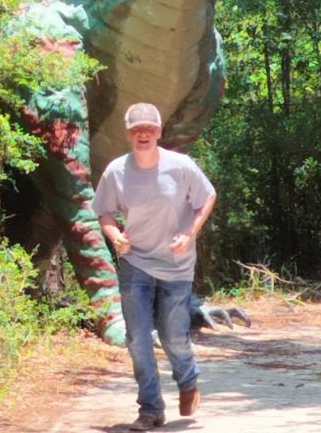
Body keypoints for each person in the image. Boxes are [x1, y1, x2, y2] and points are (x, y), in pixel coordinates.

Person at [92, 101, 217, 432]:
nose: (143, 134)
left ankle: (187, 380)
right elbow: (103, 211)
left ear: (159, 132)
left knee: (173, 336)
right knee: (138, 340)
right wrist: (114, 234)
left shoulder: (181, 166)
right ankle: (150, 409)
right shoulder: (116, 171)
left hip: (176, 265)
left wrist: (190, 233)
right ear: (128, 134)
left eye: (149, 128)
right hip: (136, 264)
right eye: (136, 129)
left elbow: (207, 197)